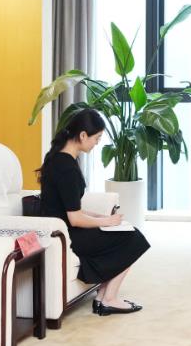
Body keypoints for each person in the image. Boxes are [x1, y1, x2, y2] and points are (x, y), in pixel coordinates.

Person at [38, 108, 151, 316]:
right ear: (83, 135)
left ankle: (102, 296)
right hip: (66, 236)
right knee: (134, 238)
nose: (97, 143)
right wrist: (107, 222)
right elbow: (74, 218)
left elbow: (68, 207)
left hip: (63, 231)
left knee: (125, 233)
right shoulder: (67, 167)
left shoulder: (58, 159)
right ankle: (109, 299)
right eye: (97, 138)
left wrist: (100, 217)